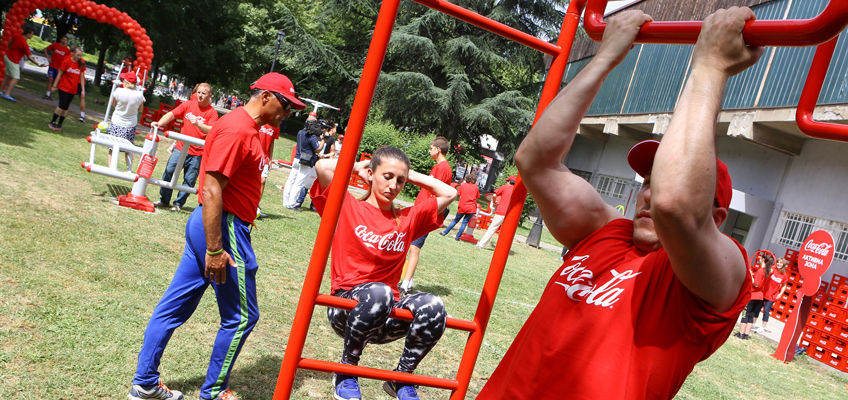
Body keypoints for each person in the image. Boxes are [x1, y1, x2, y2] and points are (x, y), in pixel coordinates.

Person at [476, 8, 760, 399]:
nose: (650, 193)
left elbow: (676, 206)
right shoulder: (606, 232)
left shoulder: (717, 275)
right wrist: (606, 55)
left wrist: (710, 65)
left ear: (716, 216)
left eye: (660, 182)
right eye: (646, 182)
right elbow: (536, 162)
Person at [128, 72, 303, 400]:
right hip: (224, 227)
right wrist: (214, 248)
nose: (287, 113)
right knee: (242, 317)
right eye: (285, 104)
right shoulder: (238, 130)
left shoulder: (242, 126)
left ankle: (144, 384)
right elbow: (211, 190)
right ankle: (212, 392)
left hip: (212, 224)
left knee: (172, 307)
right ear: (265, 97)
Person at [310, 146, 457, 400]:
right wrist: (361, 167)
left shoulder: (408, 217)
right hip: (346, 308)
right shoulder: (346, 205)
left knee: (434, 304)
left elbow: (449, 192)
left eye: (400, 180)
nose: (394, 185)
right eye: (387, 176)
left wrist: (406, 173)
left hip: (387, 314)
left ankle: (401, 378)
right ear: (371, 173)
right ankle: (346, 370)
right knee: (380, 292)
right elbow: (323, 167)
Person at [152, 83, 219, 211]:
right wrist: (159, 123)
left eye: (203, 93)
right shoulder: (188, 105)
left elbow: (212, 130)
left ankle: (178, 204)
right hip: (180, 147)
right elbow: (172, 114)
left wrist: (198, 124)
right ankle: (164, 200)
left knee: (189, 179)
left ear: (210, 95)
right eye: (198, 92)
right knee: (169, 172)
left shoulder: (212, 113)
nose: (200, 95)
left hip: (198, 152)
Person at [399, 137, 451, 297]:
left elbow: (437, 192)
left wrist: (425, 210)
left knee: (414, 247)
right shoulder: (441, 167)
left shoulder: (442, 168)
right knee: (411, 244)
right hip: (424, 209)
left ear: (438, 150)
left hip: (427, 210)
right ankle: (409, 281)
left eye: (431, 148)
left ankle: (405, 285)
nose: (429, 151)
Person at [282, 117, 325, 211]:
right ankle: (292, 204)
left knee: (291, 180)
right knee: (298, 183)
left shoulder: (300, 132)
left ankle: (286, 202)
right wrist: (323, 140)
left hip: (297, 158)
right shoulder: (311, 136)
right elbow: (317, 149)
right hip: (306, 161)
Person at [106, 72, 145, 170]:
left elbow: (113, 103)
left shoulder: (118, 91)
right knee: (128, 148)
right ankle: (129, 168)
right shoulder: (139, 95)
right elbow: (140, 109)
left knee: (112, 147)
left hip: (117, 121)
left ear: (126, 82)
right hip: (130, 124)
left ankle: (111, 167)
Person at [1, 26, 47, 102]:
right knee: (16, 78)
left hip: (7, 56)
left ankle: (0, 91)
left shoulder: (17, 36)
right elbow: (30, 57)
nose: (32, 36)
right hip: (13, 60)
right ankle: (7, 94)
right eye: (32, 34)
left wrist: (10, 50)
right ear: (28, 34)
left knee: (8, 76)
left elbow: (10, 42)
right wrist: (39, 64)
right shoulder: (24, 44)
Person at [47, 45, 85, 131]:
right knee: (62, 105)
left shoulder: (81, 63)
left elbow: (81, 77)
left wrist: (82, 89)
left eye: (80, 55)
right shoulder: (67, 61)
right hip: (63, 87)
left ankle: (60, 123)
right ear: (73, 53)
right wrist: (54, 86)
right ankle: (52, 121)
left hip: (73, 89)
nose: (79, 57)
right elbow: (59, 74)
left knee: (66, 107)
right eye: (78, 55)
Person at [735, 253, 773, 340]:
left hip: (752, 295)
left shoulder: (761, 271)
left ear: (763, 259)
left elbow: (756, 284)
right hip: (760, 297)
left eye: (760, 258)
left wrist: (751, 275)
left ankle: (741, 333)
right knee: (751, 316)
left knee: (745, 314)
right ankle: (746, 335)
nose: (759, 259)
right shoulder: (769, 271)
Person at [475, 176, 515, 249]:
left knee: (492, 228)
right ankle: (503, 248)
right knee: (506, 231)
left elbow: (494, 195)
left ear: (509, 182)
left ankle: (481, 244)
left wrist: (494, 202)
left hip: (501, 211)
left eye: (507, 181)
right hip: (511, 214)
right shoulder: (516, 190)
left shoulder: (504, 187)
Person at [440, 173, 479, 240]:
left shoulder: (463, 185)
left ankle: (445, 232)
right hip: (471, 207)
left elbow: (459, 193)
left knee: (456, 220)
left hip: (463, 206)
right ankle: (458, 237)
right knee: (465, 222)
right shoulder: (475, 187)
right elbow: (477, 196)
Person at [760, 257, 789, 333]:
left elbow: (784, 285)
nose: (779, 264)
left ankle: (762, 327)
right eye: (778, 262)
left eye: (781, 263)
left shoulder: (784, 275)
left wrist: (780, 294)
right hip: (764, 292)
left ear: (783, 265)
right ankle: (753, 323)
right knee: (758, 307)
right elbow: (765, 271)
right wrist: (763, 263)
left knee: (766, 310)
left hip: (772, 295)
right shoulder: (773, 269)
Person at [42, 35, 70, 100]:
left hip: (59, 68)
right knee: (50, 79)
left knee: (55, 81)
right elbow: (45, 49)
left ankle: (49, 94)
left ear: (67, 41)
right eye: (63, 39)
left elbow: (68, 59)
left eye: (66, 40)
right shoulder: (55, 45)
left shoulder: (67, 50)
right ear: (61, 39)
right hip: (52, 65)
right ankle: (47, 94)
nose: (64, 41)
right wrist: (48, 59)